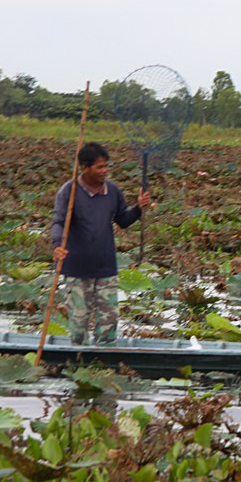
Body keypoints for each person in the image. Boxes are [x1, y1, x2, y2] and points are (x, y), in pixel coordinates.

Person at [52, 142, 152, 345]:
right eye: (99, 167)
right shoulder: (69, 192)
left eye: (106, 166)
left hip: (106, 268)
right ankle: (77, 360)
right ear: (84, 167)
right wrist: (57, 246)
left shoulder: (112, 191)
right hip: (77, 270)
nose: (104, 171)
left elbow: (123, 220)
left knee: (109, 323)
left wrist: (139, 208)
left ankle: (105, 361)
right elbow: (58, 222)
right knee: (78, 325)